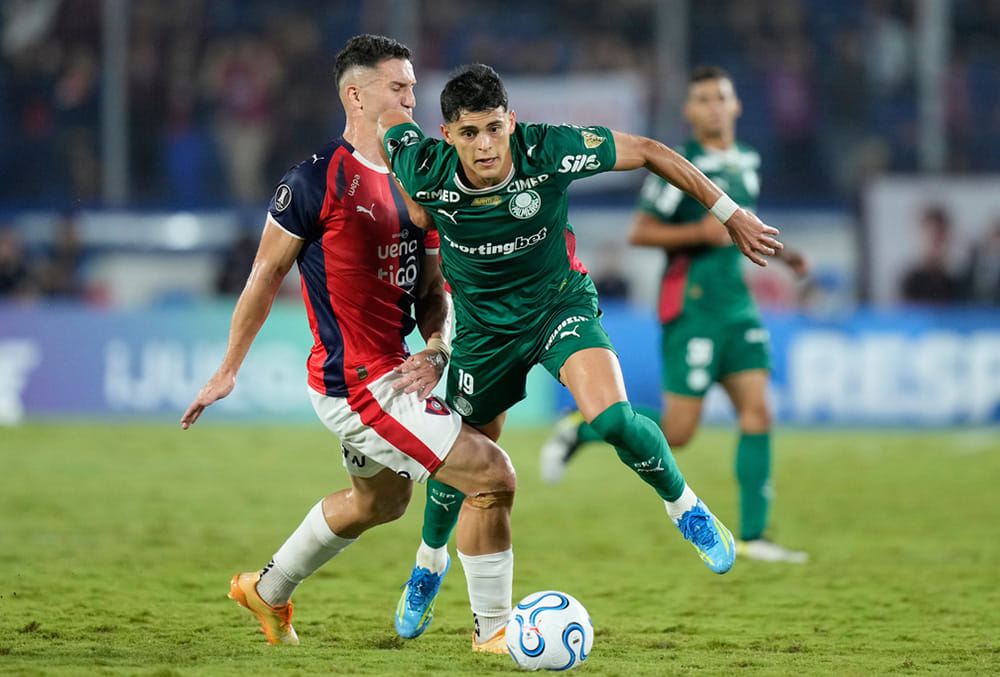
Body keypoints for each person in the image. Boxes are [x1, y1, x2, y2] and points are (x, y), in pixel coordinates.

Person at [378, 63, 785, 639]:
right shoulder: (421, 166)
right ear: (447, 135)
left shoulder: (547, 149)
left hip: (558, 307)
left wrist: (729, 212)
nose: (486, 145)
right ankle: (428, 564)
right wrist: (414, 199)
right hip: (483, 333)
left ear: (511, 122)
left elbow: (647, 150)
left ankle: (686, 507)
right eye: (469, 133)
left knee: (615, 418)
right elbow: (388, 123)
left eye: (495, 128)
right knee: (466, 457)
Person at [181, 36, 517, 655]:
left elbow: (433, 288)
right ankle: (494, 633)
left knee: (380, 502)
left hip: (397, 372)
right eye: (399, 88)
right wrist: (228, 370)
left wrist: (438, 343)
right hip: (358, 383)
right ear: (356, 96)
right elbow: (263, 278)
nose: (413, 99)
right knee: (491, 475)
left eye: (414, 88)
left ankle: (268, 588)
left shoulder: (425, 174)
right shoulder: (314, 181)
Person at [541, 66, 810, 564]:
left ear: (736, 106)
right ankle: (580, 427)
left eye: (720, 97)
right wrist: (700, 234)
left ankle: (754, 536)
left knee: (759, 411)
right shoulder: (682, 167)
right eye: (702, 99)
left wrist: (786, 253)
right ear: (689, 112)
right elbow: (641, 232)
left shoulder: (747, 160)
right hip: (692, 309)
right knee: (680, 432)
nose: (712, 106)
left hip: (737, 305)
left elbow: (745, 222)